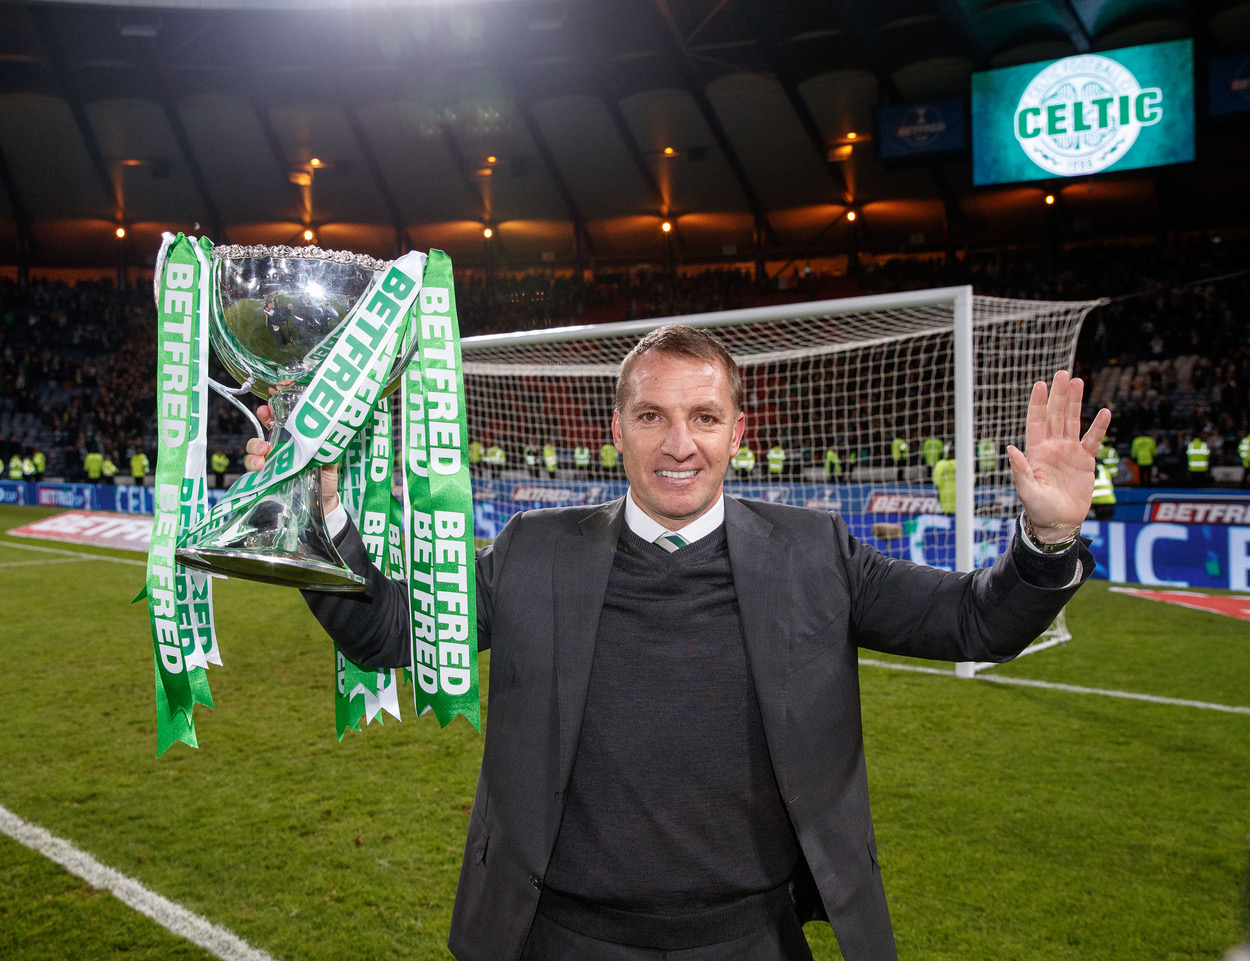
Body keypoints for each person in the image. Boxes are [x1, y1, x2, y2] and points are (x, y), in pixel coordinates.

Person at [246, 324, 1107, 961]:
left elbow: (973, 620)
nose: (678, 443)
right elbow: (389, 631)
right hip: (562, 938)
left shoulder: (816, 552)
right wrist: (318, 513)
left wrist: (1048, 540)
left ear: (739, 431)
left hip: (753, 940)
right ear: (615, 430)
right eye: (651, 415)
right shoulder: (533, 551)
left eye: (704, 415)